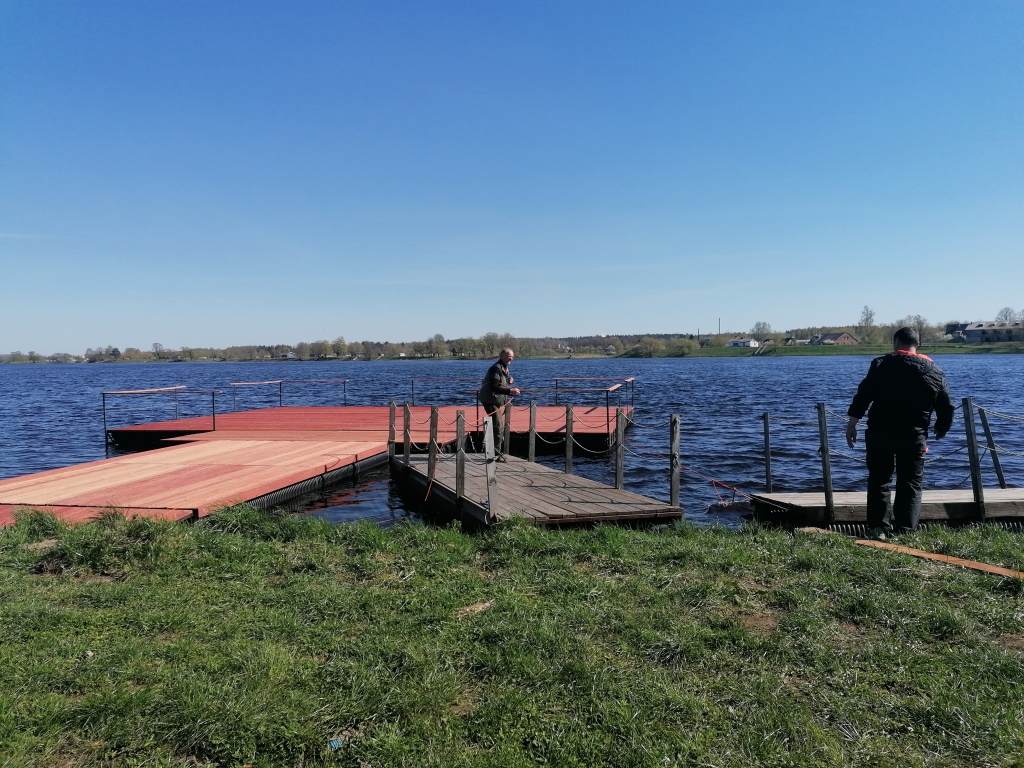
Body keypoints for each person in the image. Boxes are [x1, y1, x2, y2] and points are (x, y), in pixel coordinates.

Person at [846, 326, 954, 538]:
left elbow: (863, 395)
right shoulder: (935, 371)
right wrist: (941, 428)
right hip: (914, 436)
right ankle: (905, 532)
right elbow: (947, 406)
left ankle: (878, 529)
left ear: (896, 342)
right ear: (917, 345)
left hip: (880, 433)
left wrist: (852, 423)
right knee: (911, 483)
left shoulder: (880, 365)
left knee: (879, 479)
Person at [479, 347, 521, 460]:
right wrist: (510, 391)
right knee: (498, 426)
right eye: (509, 356)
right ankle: (496, 455)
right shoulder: (496, 368)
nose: (511, 359)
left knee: (497, 426)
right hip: (489, 400)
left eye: (512, 357)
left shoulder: (504, 367)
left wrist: (507, 381)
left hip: (495, 400)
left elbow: (498, 382)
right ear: (502, 356)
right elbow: (494, 387)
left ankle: (492, 451)